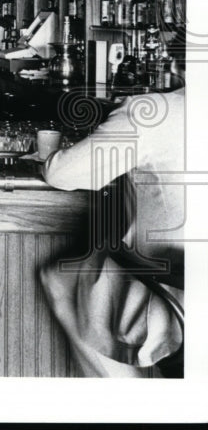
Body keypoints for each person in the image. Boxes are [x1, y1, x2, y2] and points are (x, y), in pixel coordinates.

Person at [38, 46, 185, 377]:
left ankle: (131, 406)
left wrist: (48, 155)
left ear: (177, 62)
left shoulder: (156, 111)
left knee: (59, 279)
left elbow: (63, 174)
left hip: (178, 300)